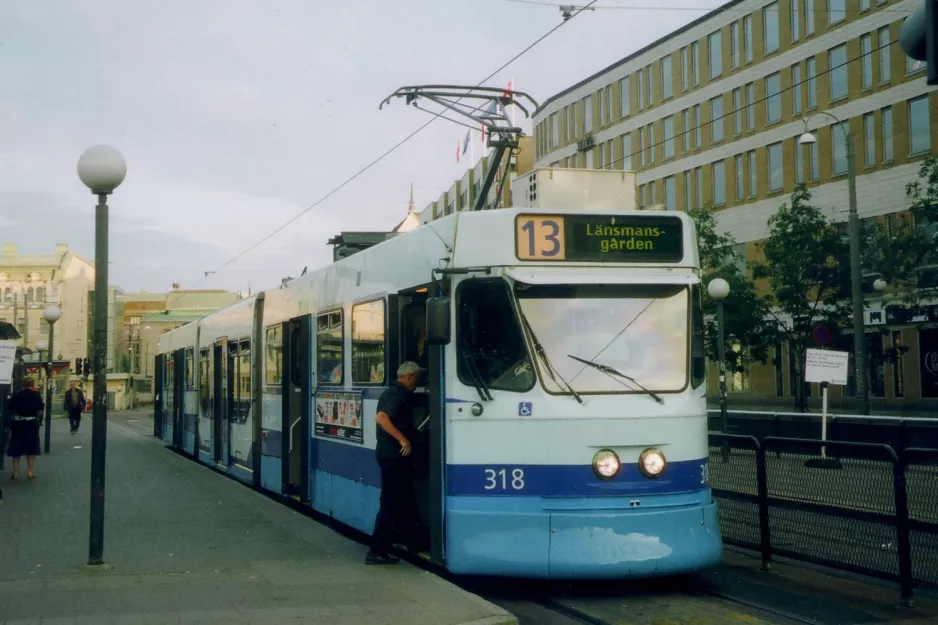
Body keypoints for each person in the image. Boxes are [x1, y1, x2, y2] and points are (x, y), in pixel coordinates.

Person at [366, 361, 424, 565]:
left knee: (404, 498)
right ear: (409, 377)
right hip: (393, 457)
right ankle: (376, 551)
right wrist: (402, 439)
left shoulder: (398, 393)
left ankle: (412, 542)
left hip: (395, 457)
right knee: (391, 503)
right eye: (416, 378)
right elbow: (382, 418)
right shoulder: (397, 394)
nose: (417, 382)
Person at [7, 378, 44, 481]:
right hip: (31, 425)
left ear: (23, 384)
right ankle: (30, 472)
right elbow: (40, 409)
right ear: (32, 384)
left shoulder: (17, 394)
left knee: (16, 450)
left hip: (18, 425)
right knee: (31, 450)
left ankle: (15, 474)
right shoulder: (36, 395)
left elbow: (10, 407)